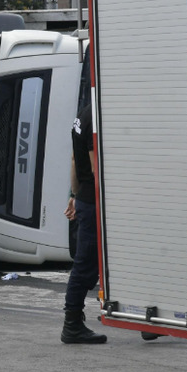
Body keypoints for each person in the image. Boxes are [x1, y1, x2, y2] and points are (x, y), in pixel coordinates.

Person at [61, 103, 107, 344]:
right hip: (97, 201)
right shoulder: (96, 116)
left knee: (95, 262)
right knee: (85, 264)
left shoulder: (83, 114)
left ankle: (141, 317)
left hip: (87, 198)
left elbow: (73, 160)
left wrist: (75, 196)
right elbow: (95, 167)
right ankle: (72, 325)